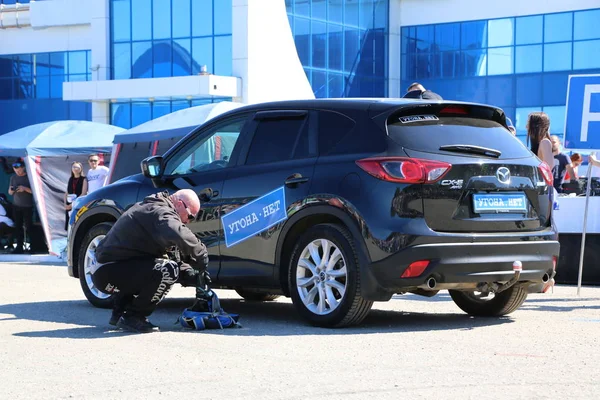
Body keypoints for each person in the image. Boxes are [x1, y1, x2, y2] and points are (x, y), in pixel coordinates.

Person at [91, 189, 207, 333]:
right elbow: (179, 234)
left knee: (158, 266)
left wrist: (190, 273)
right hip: (107, 272)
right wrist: (202, 255)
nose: (188, 221)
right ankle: (134, 316)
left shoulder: (154, 208)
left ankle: (121, 310)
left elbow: (168, 258)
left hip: (108, 269)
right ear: (179, 203)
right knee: (167, 270)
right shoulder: (161, 212)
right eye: (190, 216)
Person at [8, 159, 33, 254]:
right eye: (15, 169)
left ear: (23, 167)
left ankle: (33, 245)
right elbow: (9, 192)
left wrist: (25, 189)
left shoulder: (29, 177)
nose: (17, 171)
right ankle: (19, 246)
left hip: (27, 206)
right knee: (18, 227)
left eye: (19, 169)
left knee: (29, 226)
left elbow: (34, 192)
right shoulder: (13, 178)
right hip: (16, 205)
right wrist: (11, 190)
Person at [64, 162, 88, 231]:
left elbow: (83, 193)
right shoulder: (70, 179)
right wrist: (65, 204)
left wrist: (73, 204)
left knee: (77, 224)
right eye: (74, 167)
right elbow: (66, 192)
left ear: (81, 169)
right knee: (69, 226)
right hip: (69, 206)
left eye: (77, 167)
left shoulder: (84, 179)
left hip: (78, 204)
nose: (75, 169)